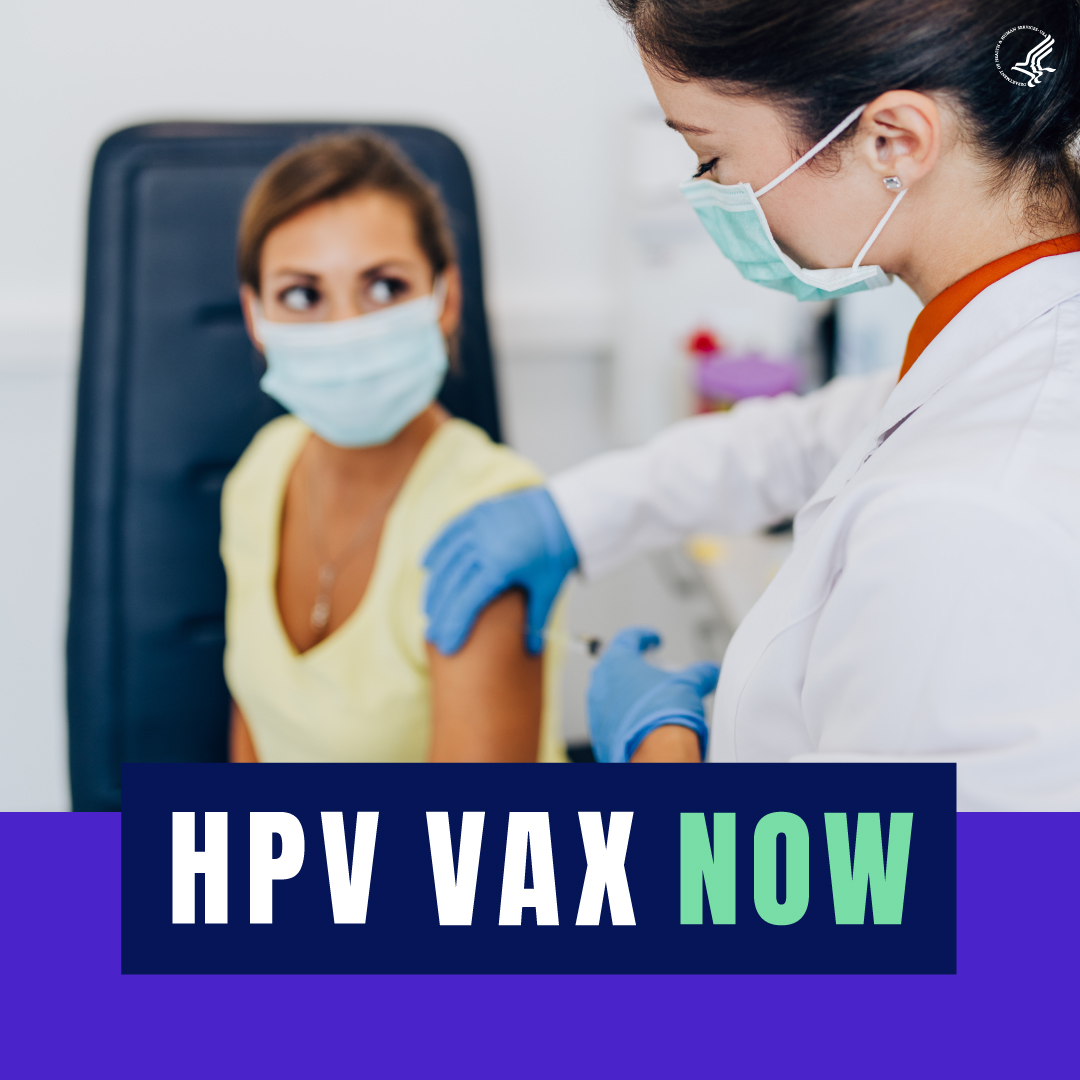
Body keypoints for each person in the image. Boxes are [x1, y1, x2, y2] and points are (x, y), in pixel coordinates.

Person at [423, 0, 1080, 808]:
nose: (712, 193)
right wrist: (574, 513)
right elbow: (825, 434)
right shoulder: (1004, 341)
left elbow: (923, 911)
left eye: (710, 156)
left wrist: (662, 762)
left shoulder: (976, 507)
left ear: (893, 142)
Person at [222, 132, 565, 763]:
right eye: (303, 295)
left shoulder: (491, 520)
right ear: (255, 316)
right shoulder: (262, 471)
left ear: (446, 298)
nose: (348, 327)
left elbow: (470, 852)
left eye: (384, 287)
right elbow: (256, 730)